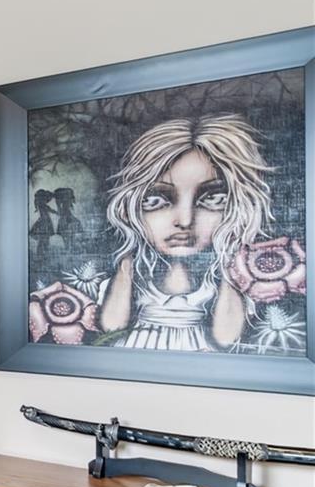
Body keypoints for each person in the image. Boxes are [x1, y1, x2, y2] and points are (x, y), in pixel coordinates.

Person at [99, 114, 272, 351]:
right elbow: (112, 327)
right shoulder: (132, 274)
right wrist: (127, 264)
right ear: (131, 208)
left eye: (213, 199)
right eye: (157, 200)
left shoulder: (223, 279)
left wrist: (230, 264)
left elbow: (226, 338)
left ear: (237, 207)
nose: (185, 220)